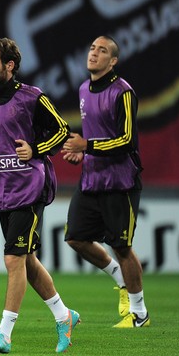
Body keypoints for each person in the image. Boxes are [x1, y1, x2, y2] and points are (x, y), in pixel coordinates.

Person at [0, 37, 78, 354]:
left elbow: (61, 130)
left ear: (9, 66)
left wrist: (36, 149)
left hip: (31, 187)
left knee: (13, 258)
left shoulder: (31, 98)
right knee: (25, 260)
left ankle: (4, 333)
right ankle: (64, 316)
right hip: (3, 189)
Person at [62, 35, 149, 328]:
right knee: (75, 236)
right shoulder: (83, 89)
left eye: (102, 51)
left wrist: (87, 146)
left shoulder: (123, 92)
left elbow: (126, 141)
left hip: (120, 181)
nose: (94, 53)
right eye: (91, 49)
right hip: (91, 179)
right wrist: (82, 154)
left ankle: (139, 314)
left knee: (121, 247)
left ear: (113, 61)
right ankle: (121, 281)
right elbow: (93, 137)